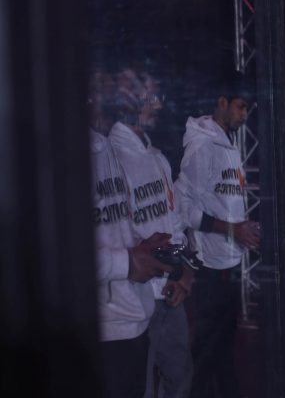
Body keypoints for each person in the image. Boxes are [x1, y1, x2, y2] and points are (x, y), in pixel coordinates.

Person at [108, 65, 194, 398]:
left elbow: (175, 221)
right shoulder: (112, 157)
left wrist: (184, 274)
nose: (157, 105)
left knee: (179, 379)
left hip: (170, 292)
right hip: (135, 298)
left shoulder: (157, 157)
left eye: (159, 96)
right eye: (150, 97)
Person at [175, 72, 259, 398]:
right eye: (240, 107)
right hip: (208, 268)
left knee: (222, 352)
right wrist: (232, 229)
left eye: (247, 109)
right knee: (207, 355)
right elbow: (183, 208)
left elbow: (221, 200)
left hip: (228, 263)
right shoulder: (202, 146)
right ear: (221, 102)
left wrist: (240, 227)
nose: (244, 115)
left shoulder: (226, 144)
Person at [90, 69, 173, 398]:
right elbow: (57, 253)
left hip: (133, 315)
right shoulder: (66, 151)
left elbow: (113, 223)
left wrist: (143, 247)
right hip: (106, 327)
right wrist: (126, 262)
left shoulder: (104, 147)